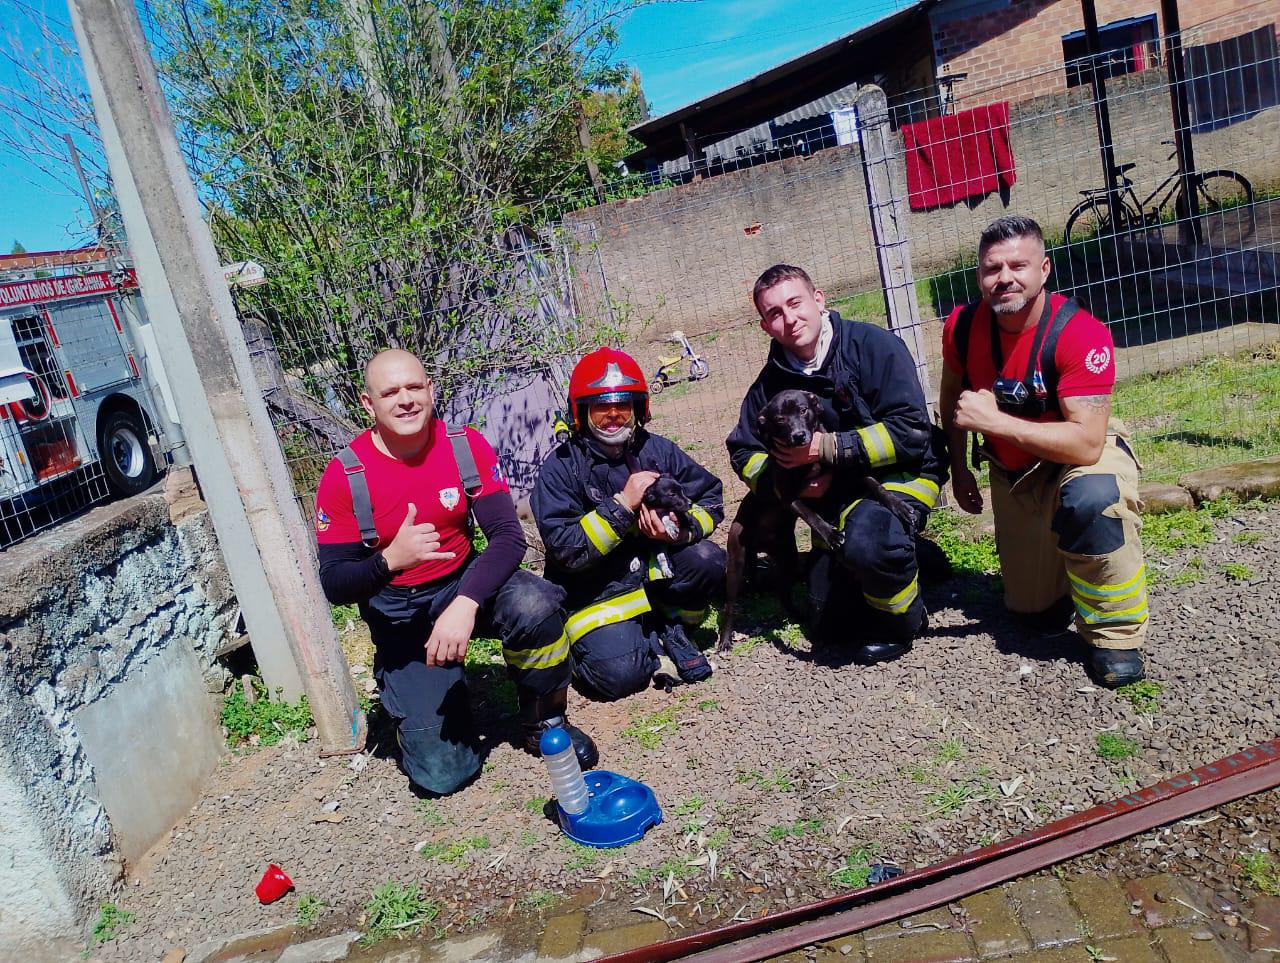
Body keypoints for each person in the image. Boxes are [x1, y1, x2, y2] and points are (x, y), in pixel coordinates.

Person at [314, 348, 597, 797]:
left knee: (535, 603)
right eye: (389, 392)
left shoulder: (464, 447)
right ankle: (426, 694)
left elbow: (507, 536)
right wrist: (391, 560)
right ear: (369, 404)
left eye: (413, 387)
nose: (404, 400)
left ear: (430, 389)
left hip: (462, 585)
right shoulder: (345, 475)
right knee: (444, 776)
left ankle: (544, 719)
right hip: (399, 613)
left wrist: (466, 603)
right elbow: (334, 583)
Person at [939, 215, 1148, 687]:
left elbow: (1087, 441)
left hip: (1079, 457)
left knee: (1093, 501)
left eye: (1018, 265)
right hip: (1014, 471)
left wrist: (996, 423)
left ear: (1045, 270)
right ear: (979, 275)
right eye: (992, 268)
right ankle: (1061, 577)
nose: (1005, 278)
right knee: (1032, 615)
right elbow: (952, 398)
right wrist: (959, 468)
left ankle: (1115, 638)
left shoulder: (1081, 333)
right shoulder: (962, 326)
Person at [726, 264, 948, 664]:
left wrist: (826, 450)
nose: (789, 319)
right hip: (834, 498)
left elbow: (912, 431)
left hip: (899, 476)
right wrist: (782, 482)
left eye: (795, 303)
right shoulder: (769, 385)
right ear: (765, 326)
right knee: (828, 624)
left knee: (870, 542)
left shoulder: (873, 346)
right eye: (774, 313)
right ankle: (910, 556)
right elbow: (742, 451)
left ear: (818, 299)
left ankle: (903, 622)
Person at [532, 346, 725, 700]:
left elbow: (711, 497)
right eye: (602, 407)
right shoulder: (560, 467)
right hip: (595, 590)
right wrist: (622, 506)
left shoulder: (657, 450)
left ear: (639, 408)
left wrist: (684, 531)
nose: (614, 415)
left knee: (709, 560)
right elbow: (565, 549)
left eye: (623, 405)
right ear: (582, 412)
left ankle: (674, 627)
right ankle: (639, 641)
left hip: (656, 575)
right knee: (619, 678)